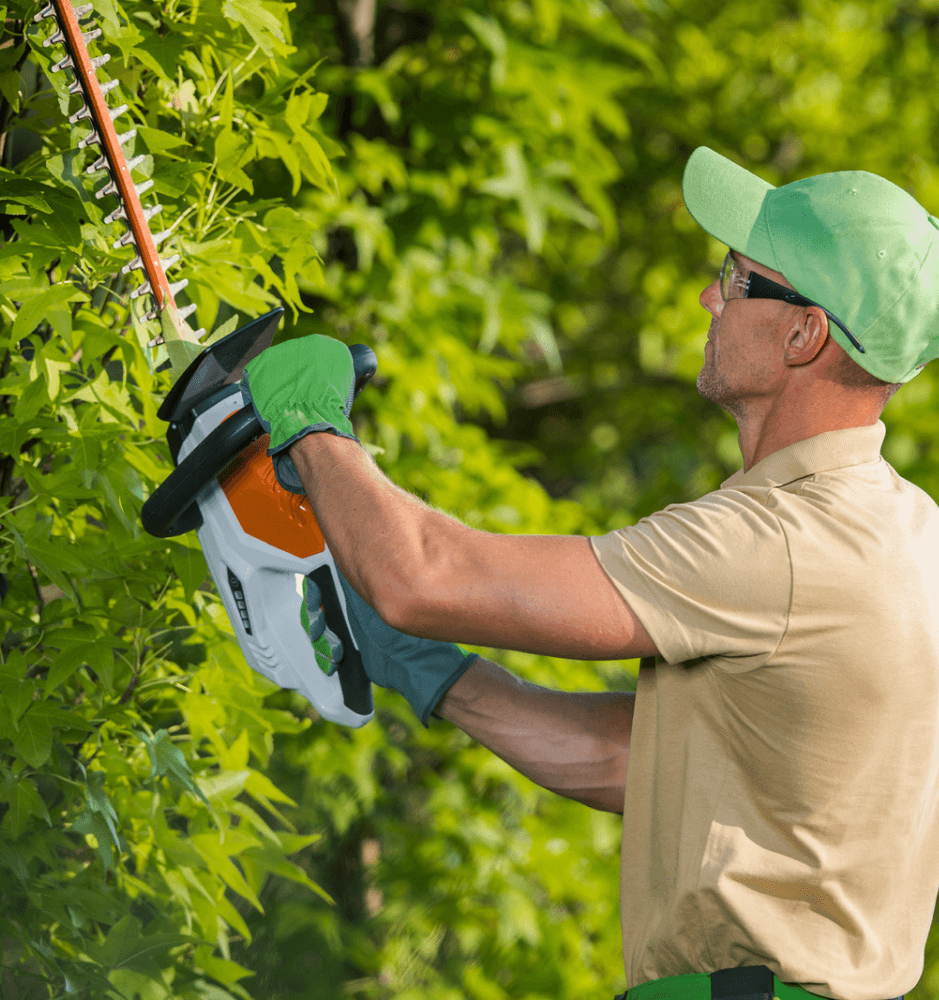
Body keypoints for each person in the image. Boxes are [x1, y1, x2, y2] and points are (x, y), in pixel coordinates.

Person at [241, 146, 939, 1000]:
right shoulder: (910, 535)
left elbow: (425, 574)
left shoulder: (781, 542)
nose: (708, 296)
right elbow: (641, 769)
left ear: (804, 332)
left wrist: (312, 427)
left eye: (737, 276)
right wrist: (437, 674)